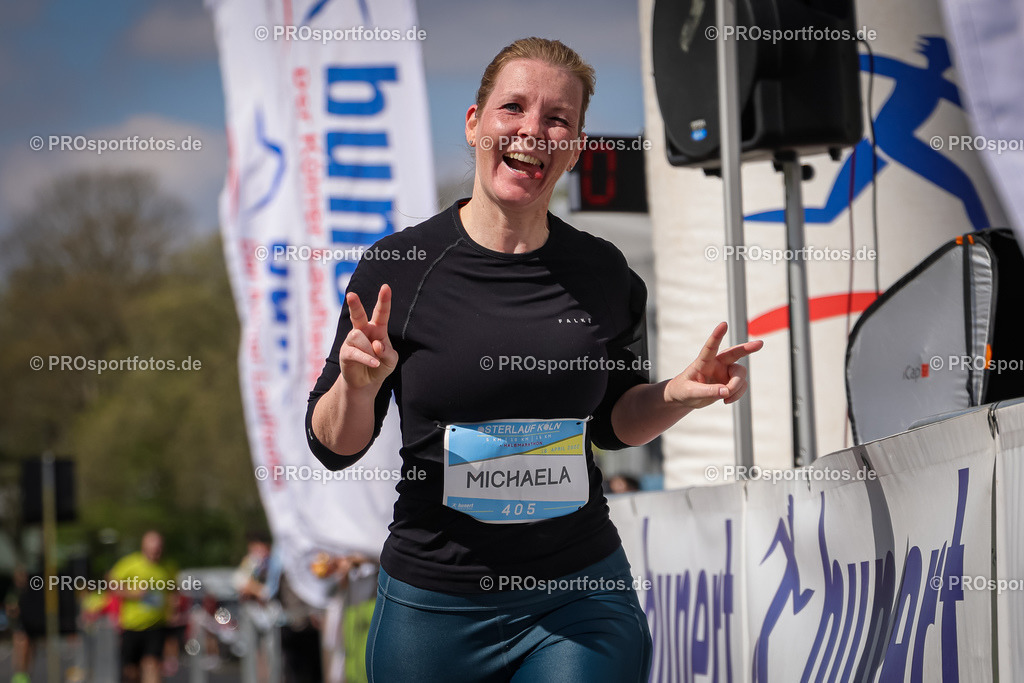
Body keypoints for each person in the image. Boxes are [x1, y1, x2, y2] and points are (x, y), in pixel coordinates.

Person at [306, 37, 762, 682]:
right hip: (435, 600)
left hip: (578, 595)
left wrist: (674, 395)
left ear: (575, 146)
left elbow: (610, 423)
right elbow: (335, 446)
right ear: (475, 124)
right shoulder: (400, 267)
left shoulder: (603, 271)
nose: (533, 131)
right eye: (513, 108)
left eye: (558, 120)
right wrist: (356, 386)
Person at [108, 530, 173, 683]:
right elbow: (112, 585)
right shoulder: (130, 563)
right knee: (131, 671)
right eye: (153, 550)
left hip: (156, 625)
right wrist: (132, 594)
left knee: (152, 664)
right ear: (144, 547)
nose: (156, 553)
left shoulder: (168, 567)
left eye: (159, 549)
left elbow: (172, 591)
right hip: (132, 625)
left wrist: (172, 609)